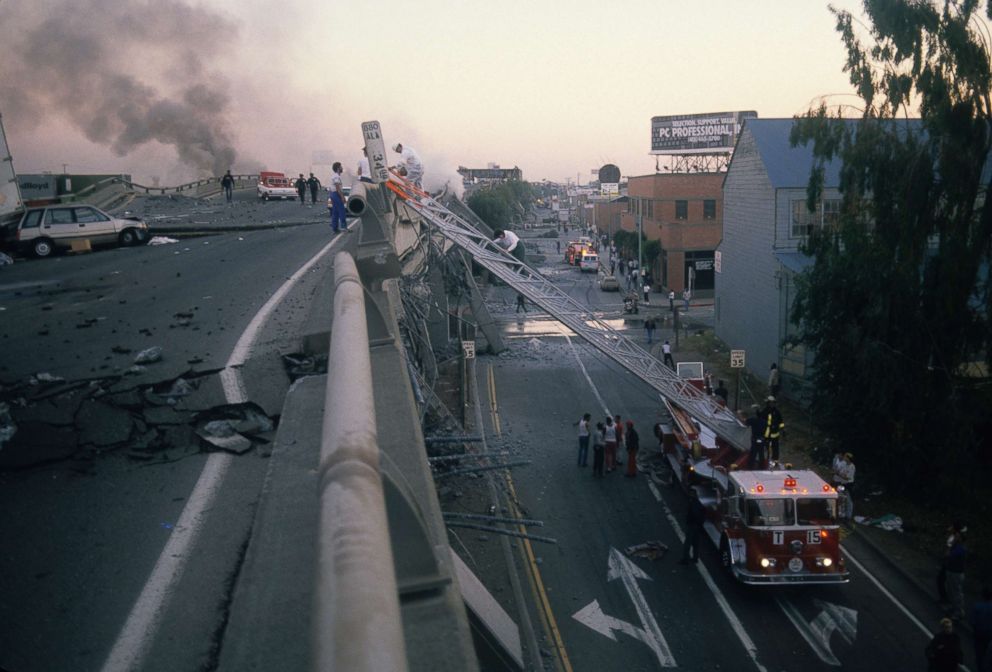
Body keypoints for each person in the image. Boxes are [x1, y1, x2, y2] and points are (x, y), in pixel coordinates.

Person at [944, 528, 967, 621]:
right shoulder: (956, 546)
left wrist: (950, 546)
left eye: (957, 536)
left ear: (961, 538)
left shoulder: (960, 548)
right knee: (951, 591)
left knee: (956, 593)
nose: (955, 537)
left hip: (956, 573)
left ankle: (958, 612)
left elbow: (948, 555)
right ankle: (953, 608)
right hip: (951, 571)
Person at [680, 488, 707, 564]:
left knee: (687, 543)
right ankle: (695, 558)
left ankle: (685, 559)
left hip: (692, 525)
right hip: (697, 526)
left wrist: (689, 520)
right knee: (696, 543)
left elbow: (694, 514)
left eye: (691, 493)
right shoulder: (699, 503)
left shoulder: (693, 503)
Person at [738, 404, 765, 469]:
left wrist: (740, 415)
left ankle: (750, 466)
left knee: (753, 453)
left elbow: (745, 422)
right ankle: (761, 466)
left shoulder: (753, 420)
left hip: (755, 439)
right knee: (761, 452)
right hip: (762, 439)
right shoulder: (763, 420)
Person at [831, 452, 856, 521]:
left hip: (848, 484)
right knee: (840, 498)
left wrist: (838, 474)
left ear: (848, 459)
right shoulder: (844, 463)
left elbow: (847, 477)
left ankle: (848, 516)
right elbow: (838, 469)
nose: (844, 458)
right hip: (842, 484)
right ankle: (841, 515)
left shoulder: (852, 467)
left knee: (848, 500)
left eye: (845, 457)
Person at [972, 588, 992, 670]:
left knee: (980, 654)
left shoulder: (977, 606)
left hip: (979, 634)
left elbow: (973, 621)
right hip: (990, 635)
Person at [762, 396, 785, 463]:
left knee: (775, 448)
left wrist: (783, 429)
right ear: (768, 403)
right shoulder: (765, 411)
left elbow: (781, 421)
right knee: (766, 447)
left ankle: (775, 460)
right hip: (767, 434)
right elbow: (761, 420)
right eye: (770, 403)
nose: (772, 404)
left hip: (775, 433)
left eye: (773, 403)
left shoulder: (777, 411)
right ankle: (765, 460)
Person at [327, 162, 348, 234]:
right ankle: (344, 227)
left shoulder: (334, 176)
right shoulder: (336, 177)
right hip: (336, 194)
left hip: (333, 194)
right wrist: (342, 197)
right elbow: (337, 187)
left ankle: (335, 228)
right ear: (338, 168)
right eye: (341, 167)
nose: (342, 168)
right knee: (341, 210)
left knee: (335, 212)